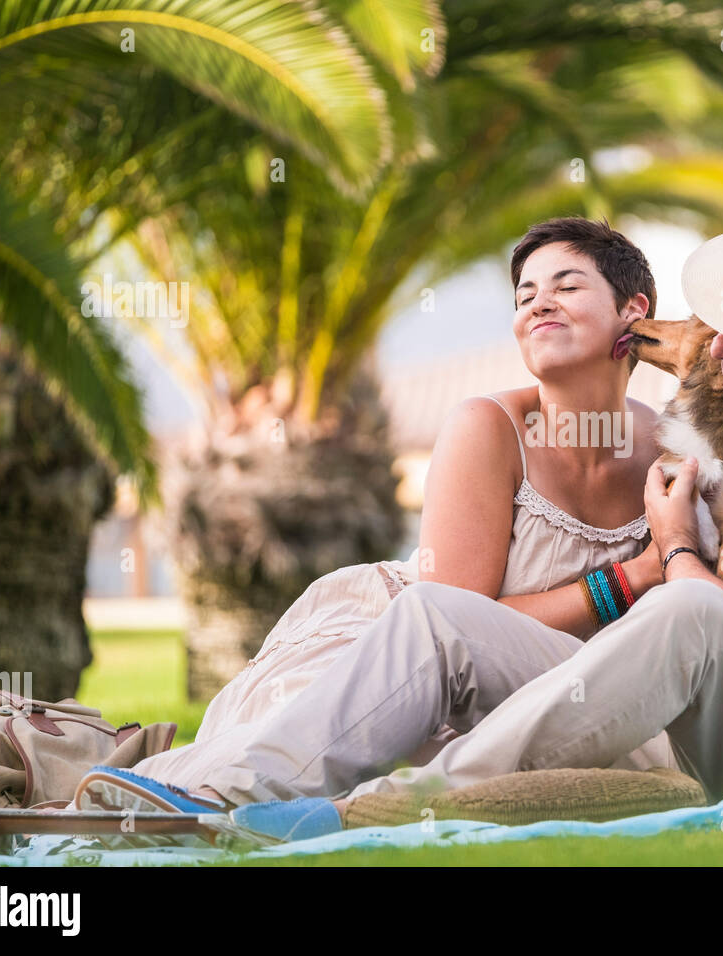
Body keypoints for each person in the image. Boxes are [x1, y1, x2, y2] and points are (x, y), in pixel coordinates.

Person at [73, 217, 683, 821]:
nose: (539, 304)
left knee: (435, 776)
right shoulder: (490, 428)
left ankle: (209, 801)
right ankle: (189, 799)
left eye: (567, 287)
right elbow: (461, 614)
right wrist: (630, 580)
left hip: (551, 688)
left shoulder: (674, 450)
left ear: (635, 310)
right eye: (525, 295)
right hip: (401, 646)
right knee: (307, 737)